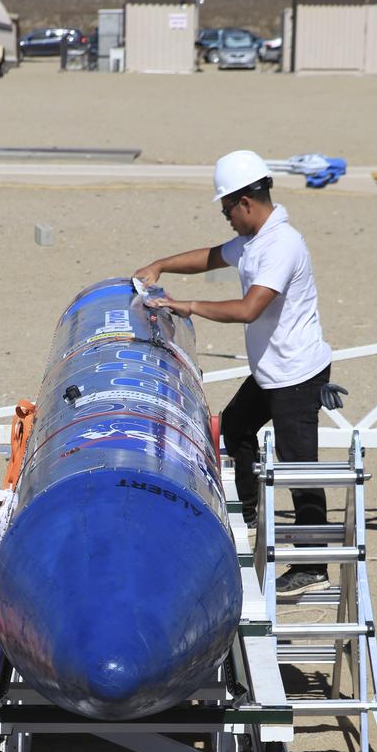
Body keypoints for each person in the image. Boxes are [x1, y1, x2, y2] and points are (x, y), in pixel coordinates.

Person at [134, 149, 334, 596]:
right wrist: (161, 264)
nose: (226, 218)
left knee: (299, 468)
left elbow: (249, 309)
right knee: (236, 428)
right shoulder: (255, 240)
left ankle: (314, 564)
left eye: (227, 210)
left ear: (246, 202)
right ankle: (248, 511)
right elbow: (210, 257)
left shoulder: (281, 245)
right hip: (272, 372)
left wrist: (186, 306)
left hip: (297, 376)